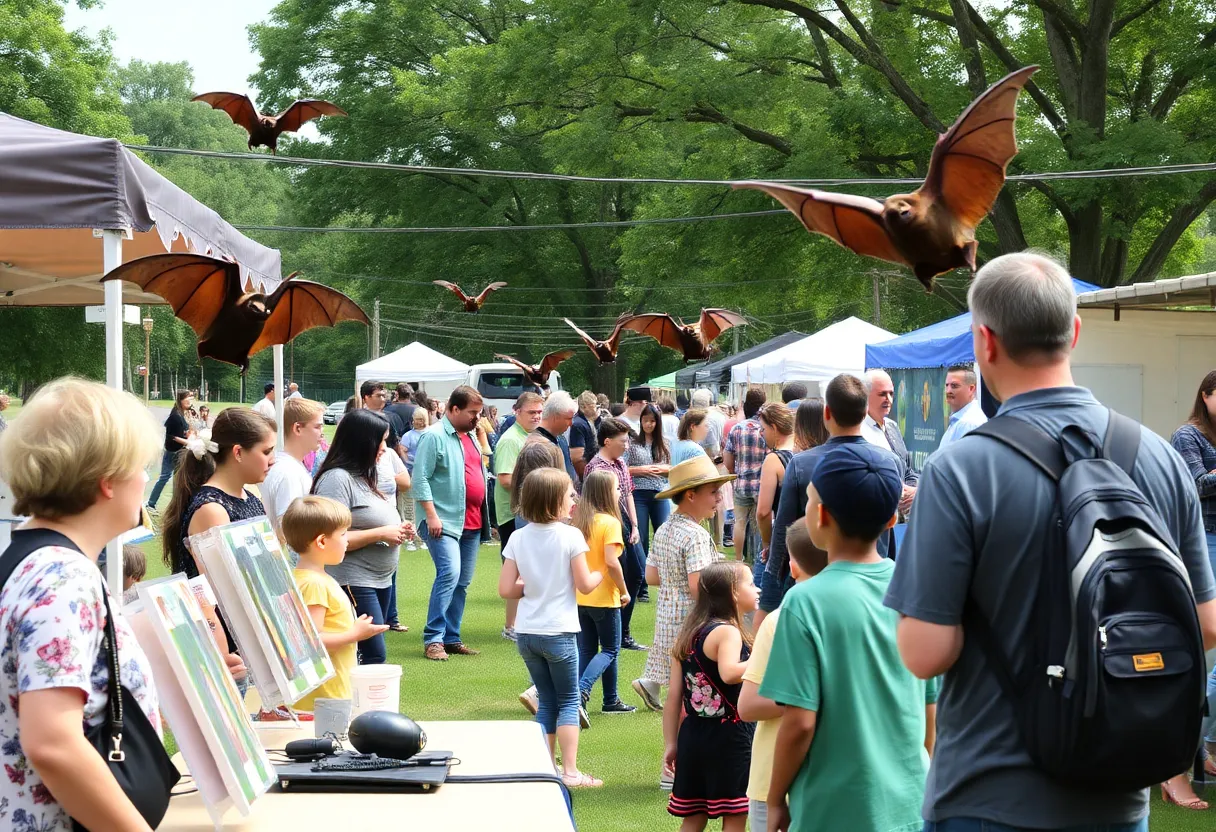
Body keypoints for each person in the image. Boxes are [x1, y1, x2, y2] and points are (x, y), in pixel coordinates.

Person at [885, 251, 1216, 830]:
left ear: (985, 342)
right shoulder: (1158, 457)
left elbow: (924, 652)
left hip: (988, 794)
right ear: (1075, 333)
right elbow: (1206, 624)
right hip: (1116, 789)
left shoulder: (958, 469)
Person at [0, 378, 168, 830]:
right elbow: (53, 744)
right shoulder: (62, 576)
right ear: (107, 481)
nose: (145, 480)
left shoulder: (35, 562)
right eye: (140, 467)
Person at [764, 442, 935, 832]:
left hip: (834, 810)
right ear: (891, 519)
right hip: (911, 805)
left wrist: (774, 799)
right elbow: (931, 711)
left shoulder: (804, 602)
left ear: (820, 515)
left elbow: (799, 723)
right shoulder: (918, 589)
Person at [498, 467, 605, 788]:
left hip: (528, 633)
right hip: (559, 631)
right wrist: (601, 573)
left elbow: (506, 589)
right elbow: (585, 584)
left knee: (546, 701)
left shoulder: (518, 537)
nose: (574, 500)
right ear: (553, 501)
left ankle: (546, 769)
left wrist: (531, 585)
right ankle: (570, 772)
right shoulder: (570, 536)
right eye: (569, 495)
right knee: (569, 700)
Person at [163, 406, 275, 695]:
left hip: (246, 639)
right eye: (266, 451)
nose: (272, 460)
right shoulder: (212, 509)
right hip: (223, 648)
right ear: (238, 452)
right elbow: (208, 591)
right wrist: (222, 651)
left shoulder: (249, 497)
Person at [763, 376, 896, 617]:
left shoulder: (801, 464)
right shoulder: (888, 461)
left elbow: (783, 530)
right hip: (874, 588)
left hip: (815, 584)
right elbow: (889, 533)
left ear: (826, 413)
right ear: (865, 411)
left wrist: (770, 596)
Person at [633, 455, 733, 747]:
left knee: (677, 694)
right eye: (713, 492)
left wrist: (674, 584)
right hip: (694, 623)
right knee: (696, 696)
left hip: (668, 620)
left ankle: (674, 753)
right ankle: (688, 754)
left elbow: (651, 576)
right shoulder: (695, 534)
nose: (719, 498)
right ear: (691, 495)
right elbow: (698, 586)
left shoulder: (665, 527)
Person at [738, 521, 826, 831]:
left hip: (776, 777)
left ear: (793, 565)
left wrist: (801, 698)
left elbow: (748, 704)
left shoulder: (780, 620)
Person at [662, 560, 759, 828]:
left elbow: (673, 698)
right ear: (733, 592)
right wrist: (764, 657)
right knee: (735, 815)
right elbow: (729, 673)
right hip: (730, 737)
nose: (757, 589)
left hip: (693, 736)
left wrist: (671, 743)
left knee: (694, 816)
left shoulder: (688, 634)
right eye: (751, 583)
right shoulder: (727, 632)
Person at [312, 410, 412, 665]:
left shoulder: (364, 475)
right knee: (372, 654)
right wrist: (381, 533)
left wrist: (397, 528)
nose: (384, 448)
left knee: (368, 653)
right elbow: (326, 538)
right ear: (361, 442)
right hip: (353, 579)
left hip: (379, 579)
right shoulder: (337, 479)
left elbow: (367, 519)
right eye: (380, 441)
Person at [285, 495, 389, 711]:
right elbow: (312, 643)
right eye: (343, 534)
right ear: (322, 542)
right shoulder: (314, 584)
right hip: (326, 697)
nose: (347, 540)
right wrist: (355, 634)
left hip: (326, 694)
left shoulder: (311, 578)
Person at [412, 385, 486, 662]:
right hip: (443, 521)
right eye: (472, 412)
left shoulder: (471, 436)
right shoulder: (433, 436)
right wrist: (431, 515)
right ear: (454, 409)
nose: (477, 418)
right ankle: (433, 639)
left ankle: (451, 638)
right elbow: (420, 479)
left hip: (471, 521)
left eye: (479, 412)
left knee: (461, 582)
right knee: (449, 574)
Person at [571, 470, 636, 715]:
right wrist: (624, 590)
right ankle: (581, 691)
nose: (620, 492)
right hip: (605, 597)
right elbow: (611, 562)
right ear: (606, 493)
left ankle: (610, 699)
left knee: (588, 650)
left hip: (581, 596)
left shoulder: (579, 522)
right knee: (610, 649)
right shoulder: (610, 523)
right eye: (617, 488)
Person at [585, 418, 645, 651]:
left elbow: (628, 493)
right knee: (624, 574)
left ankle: (621, 632)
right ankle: (617, 633)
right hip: (611, 525)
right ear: (607, 441)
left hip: (626, 525)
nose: (627, 446)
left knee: (636, 574)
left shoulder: (620, 462)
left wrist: (635, 525)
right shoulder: (596, 467)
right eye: (623, 441)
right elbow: (597, 504)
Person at [492, 392, 544, 641]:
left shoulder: (530, 436)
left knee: (528, 569)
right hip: (513, 513)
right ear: (517, 411)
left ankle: (522, 622)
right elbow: (504, 479)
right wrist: (540, 485)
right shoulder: (511, 439)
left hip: (527, 511)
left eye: (539, 412)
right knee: (517, 570)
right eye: (531, 412)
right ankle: (511, 626)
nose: (536, 416)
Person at [260, 398, 326, 556]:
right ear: (297, 428)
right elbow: (289, 529)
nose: (322, 433)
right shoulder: (288, 472)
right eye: (317, 427)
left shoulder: (289, 465)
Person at [753, 402, 796, 607]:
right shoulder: (808, 453)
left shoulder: (774, 460)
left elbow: (763, 511)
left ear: (775, 428)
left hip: (780, 541)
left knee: (763, 605)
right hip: (805, 541)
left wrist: (767, 543)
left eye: (763, 429)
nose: (761, 434)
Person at [374, 413, 413, 634]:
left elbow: (406, 482)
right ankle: (380, 620)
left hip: (391, 520)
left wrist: (389, 478)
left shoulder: (389, 455)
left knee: (391, 569)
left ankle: (391, 617)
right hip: (371, 526)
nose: (384, 445)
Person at [862, 369, 918, 516]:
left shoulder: (892, 426)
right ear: (865, 395)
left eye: (891, 394)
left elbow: (908, 469)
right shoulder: (858, 431)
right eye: (882, 394)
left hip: (901, 517)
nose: (888, 399)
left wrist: (913, 491)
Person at [724, 388, 768, 566]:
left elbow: (728, 461)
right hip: (762, 485)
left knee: (740, 523)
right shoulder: (765, 429)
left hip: (741, 484)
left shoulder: (736, 428)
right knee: (759, 523)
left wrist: (735, 472)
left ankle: (738, 560)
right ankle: (759, 559)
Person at [627, 404, 672, 563]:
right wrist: (642, 470)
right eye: (645, 420)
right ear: (640, 421)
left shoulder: (665, 443)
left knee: (663, 533)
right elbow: (623, 468)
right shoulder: (632, 443)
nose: (648, 424)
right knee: (642, 536)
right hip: (639, 493)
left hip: (660, 492)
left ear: (657, 422)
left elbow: (671, 468)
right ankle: (642, 570)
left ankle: (663, 567)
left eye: (652, 421)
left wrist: (663, 469)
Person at [147, 389, 195, 510]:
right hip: (172, 453)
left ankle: (176, 506)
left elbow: (181, 432)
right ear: (181, 400)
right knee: (164, 477)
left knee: (178, 479)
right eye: (188, 398)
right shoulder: (175, 416)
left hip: (180, 452)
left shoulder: (181, 414)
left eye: (191, 398)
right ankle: (151, 504)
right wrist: (188, 442)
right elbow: (171, 436)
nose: (190, 400)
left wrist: (188, 435)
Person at [938, 363, 988, 448]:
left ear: (971, 389)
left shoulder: (969, 424)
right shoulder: (960, 420)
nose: (948, 391)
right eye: (947, 385)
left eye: (954, 386)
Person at [399, 408, 429, 551]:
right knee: (410, 507)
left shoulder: (430, 433)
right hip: (411, 473)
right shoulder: (408, 436)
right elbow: (402, 450)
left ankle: (422, 537)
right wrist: (409, 463)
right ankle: (410, 538)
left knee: (425, 506)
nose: (418, 422)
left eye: (420, 419)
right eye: (416, 419)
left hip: (427, 475)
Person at [535, 391, 578, 484]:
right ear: (555, 417)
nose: (571, 424)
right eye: (569, 418)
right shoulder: (537, 445)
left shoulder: (561, 439)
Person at [361, 381, 403, 457]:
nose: (383, 399)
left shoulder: (393, 418)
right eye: (379, 396)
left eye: (384, 396)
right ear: (367, 397)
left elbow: (397, 445)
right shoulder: (356, 420)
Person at [570, 392, 601, 480]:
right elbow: (578, 458)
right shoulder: (578, 424)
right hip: (586, 474)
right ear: (584, 407)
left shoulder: (591, 420)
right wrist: (586, 477)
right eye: (594, 405)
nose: (597, 407)